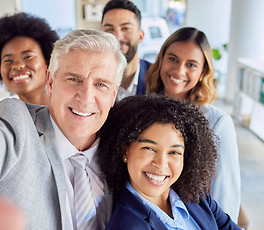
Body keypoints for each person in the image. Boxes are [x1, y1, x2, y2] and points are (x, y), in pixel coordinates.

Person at [0, 0, 126, 228]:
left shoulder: (122, 144)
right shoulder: (14, 127)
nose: (86, 97)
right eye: (73, 79)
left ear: (113, 94)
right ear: (51, 82)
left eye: (101, 84)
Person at [98, 95, 241, 230]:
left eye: (174, 152)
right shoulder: (127, 225)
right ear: (125, 151)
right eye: (149, 148)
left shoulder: (198, 198)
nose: (161, 164)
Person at [145, 27, 241, 221]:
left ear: (202, 71)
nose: (179, 70)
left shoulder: (217, 122)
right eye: (172, 59)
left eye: (191, 64)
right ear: (161, 59)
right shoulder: (142, 109)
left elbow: (226, 196)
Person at [0, 12, 59, 105]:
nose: (17, 65)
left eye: (28, 57)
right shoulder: (5, 116)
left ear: (48, 63)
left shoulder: (73, 110)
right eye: (8, 60)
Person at [101, 0, 151, 102]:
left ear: (140, 36)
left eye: (125, 28)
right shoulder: (93, 78)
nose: (117, 37)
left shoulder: (156, 77)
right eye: (109, 29)